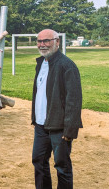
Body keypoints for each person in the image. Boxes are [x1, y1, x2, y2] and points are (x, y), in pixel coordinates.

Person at [31, 29, 82, 189]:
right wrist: (35, 118)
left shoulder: (67, 66)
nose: (42, 44)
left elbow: (74, 100)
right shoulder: (41, 63)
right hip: (40, 126)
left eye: (47, 41)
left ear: (57, 42)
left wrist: (69, 130)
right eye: (39, 41)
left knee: (62, 166)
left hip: (59, 128)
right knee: (38, 161)